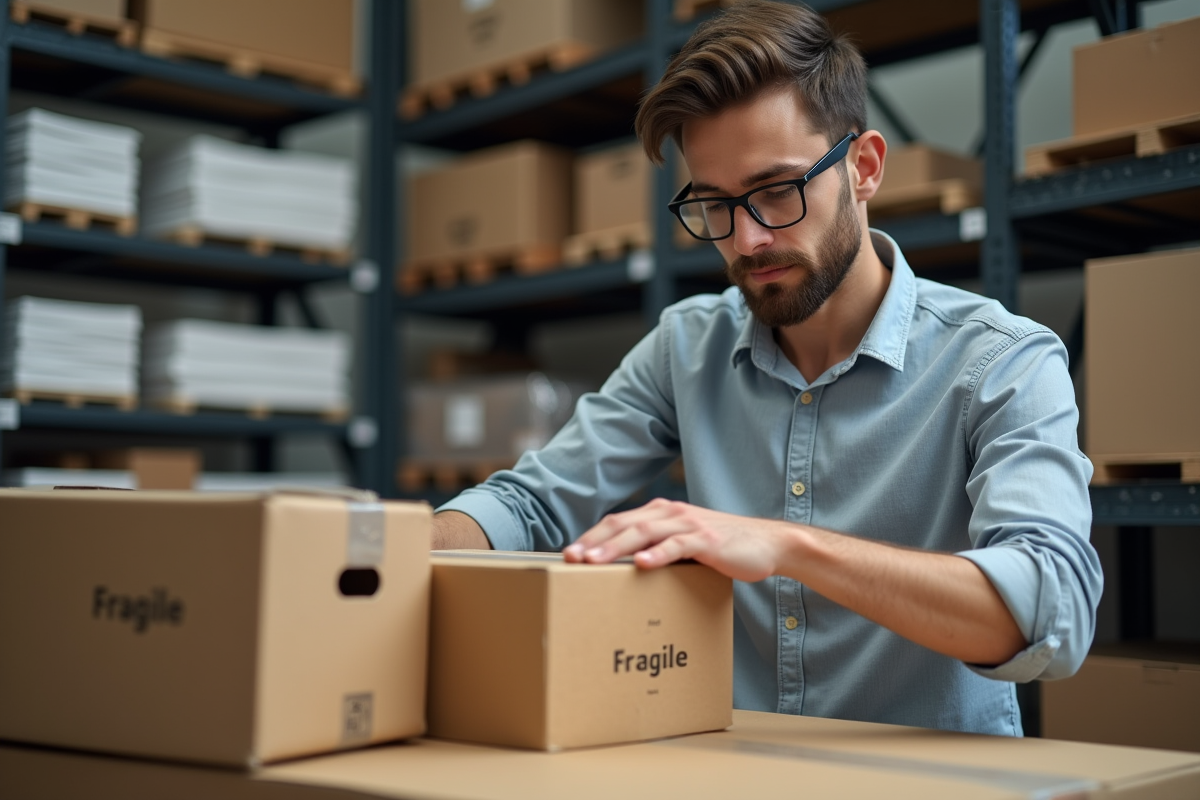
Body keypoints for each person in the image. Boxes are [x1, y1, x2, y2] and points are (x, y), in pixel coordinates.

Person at [432, 0, 1101, 736]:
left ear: (864, 168)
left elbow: (1052, 609)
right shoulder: (686, 346)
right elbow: (531, 507)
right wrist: (375, 556)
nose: (747, 241)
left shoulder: (1000, 359)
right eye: (713, 205)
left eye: (777, 191)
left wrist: (785, 545)